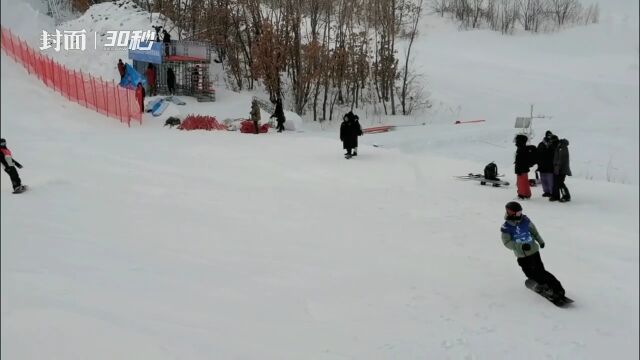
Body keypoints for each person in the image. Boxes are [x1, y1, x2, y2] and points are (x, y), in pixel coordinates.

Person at [501, 201, 565, 301]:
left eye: (520, 212)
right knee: (529, 273)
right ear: (510, 212)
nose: (520, 214)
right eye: (517, 213)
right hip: (521, 255)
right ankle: (541, 284)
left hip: (534, 251)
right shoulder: (506, 228)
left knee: (540, 271)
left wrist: (540, 241)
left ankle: (557, 290)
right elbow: (507, 242)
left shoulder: (525, 220)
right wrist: (520, 246)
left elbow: (534, 232)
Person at [551, 136, 571, 202]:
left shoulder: (563, 147)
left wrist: (558, 168)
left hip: (562, 169)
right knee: (556, 183)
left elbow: (562, 159)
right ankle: (555, 196)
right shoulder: (558, 147)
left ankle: (566, 196)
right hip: (557, 169)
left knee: (560, 183)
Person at [536, 130, 556, 197]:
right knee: (544, 180)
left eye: (550, 135)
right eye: (548, 135)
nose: (549, 137)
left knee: (551, 180)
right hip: (542, 166)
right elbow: (537, 154)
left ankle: (552, 192)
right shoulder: (541, 144)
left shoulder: (553, 144)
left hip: (550, 166)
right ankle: (546, 192)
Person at [514, 134, 533, 199]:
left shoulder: (522, 149)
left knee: (522, 183)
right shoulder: (521, 148)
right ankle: (523, 194)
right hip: (522, 168)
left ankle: (524, 194)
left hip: (522, 169)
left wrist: (519, 169)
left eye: (517, 140)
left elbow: (521, 160)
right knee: (521, 182)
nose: (516, 142)